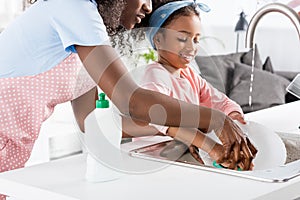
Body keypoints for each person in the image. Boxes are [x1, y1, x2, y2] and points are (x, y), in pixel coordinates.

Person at [0, 0, 256, 195]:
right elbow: (130, 100)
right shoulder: (73, 6)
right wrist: (214, 119)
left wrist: (186, 133)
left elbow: (91, 122)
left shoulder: (89, 34)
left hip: (12, 150)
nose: (148, 6)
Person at [122, 1, 256, 169]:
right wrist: (212, 148)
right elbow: (160, 118)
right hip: (153, 159)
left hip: (181, 157)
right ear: (158, 40)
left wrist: (234, 119)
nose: (192, 47)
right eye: (182, 38)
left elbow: (220, 102)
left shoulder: (190, 75)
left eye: (196, 40)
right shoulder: (155, 75)